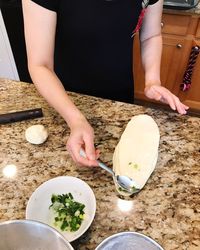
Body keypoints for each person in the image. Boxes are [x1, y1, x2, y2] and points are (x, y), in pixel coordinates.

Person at [20, 0, 188, 167]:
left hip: (119, 96)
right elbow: (40, 65)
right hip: (65, 100)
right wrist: (75, 120)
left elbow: (151, 35)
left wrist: (152, 80)